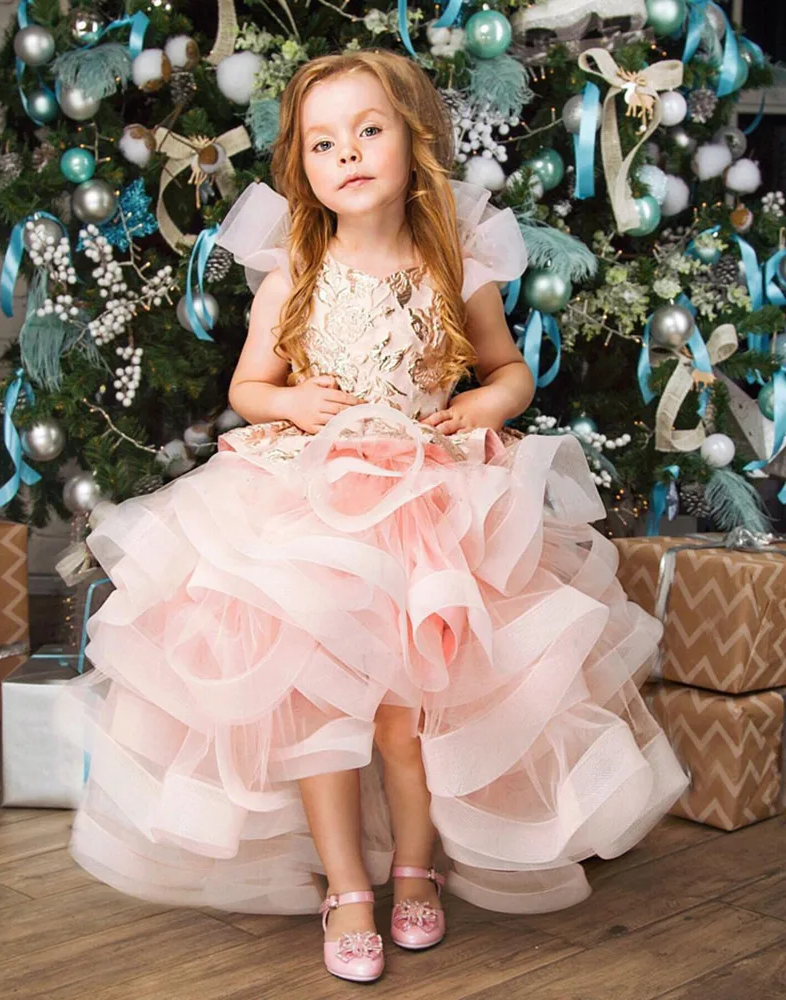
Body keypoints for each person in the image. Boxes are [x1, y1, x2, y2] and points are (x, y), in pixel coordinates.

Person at [59, 49, 689, 986]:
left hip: (433, 504)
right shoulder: (296, 269)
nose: (346, 153)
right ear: (301, 166)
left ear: (411, 139)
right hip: (313, 505)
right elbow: (248, 388)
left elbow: (509, 370)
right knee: (323, 708)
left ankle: (415, 869)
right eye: (322, 143)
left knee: (408, 714)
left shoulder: (455, 263)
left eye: (367, 130)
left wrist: (485, 404)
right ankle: (347, 887)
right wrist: (292, 404)